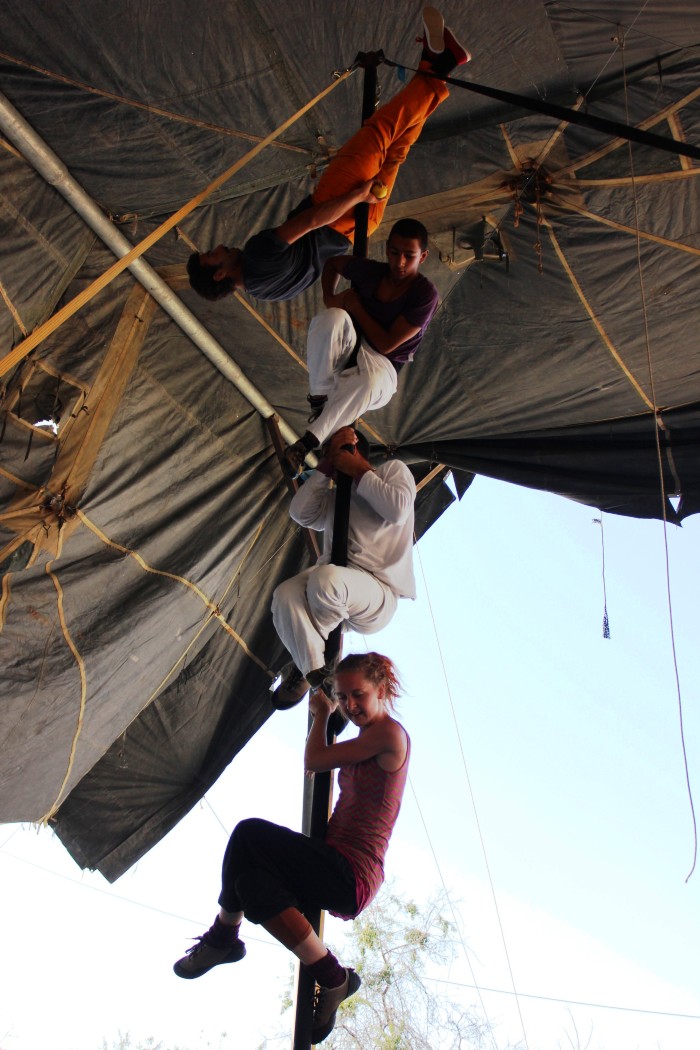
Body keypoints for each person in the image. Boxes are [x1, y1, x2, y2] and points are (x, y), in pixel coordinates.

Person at [173, 652, 410, 1045]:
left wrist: (321, 713)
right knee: (251, 885)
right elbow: (322, 758)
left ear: (381, 689)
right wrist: (327, 715)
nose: (350, 705)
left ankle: (223, 937)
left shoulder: (388, 735)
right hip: (335, 869)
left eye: (358, 695)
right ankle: (333, 977)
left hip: (351, 872)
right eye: (342, 696)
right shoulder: (364, 739)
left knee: (248, 834)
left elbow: (315, 760)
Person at [187, 7, 470, 304]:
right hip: (339, 200)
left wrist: (362, 201)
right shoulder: (256, 255)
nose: (218, 247)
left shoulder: (266, 294)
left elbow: (317, 263)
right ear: (219, 274)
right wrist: (357, 196)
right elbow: (310, 222)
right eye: (211, 255)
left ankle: (438, 61)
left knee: (397, 148)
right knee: (380, 131)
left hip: (358, 227)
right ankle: (442, 60)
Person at [271, 426, 415, 709]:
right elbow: (300, 513)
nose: (330, 461)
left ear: (355, 452)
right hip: (331, 595)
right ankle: (315, 673)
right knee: (284, 595)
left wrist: (357, 468)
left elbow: (397, 509)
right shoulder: (337, 498)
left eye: (332, 454)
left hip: (375, 594)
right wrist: (325, 468)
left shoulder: (392, 472)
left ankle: (312, 660)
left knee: (326, 580)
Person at [282, 215, 438, 477]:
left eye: (408, 256)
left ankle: (305, 445)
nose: (399, 262)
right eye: (394, 252)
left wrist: (355, 306)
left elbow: (387, 344)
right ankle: (319, 402)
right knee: (331, 318)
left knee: (369, 382)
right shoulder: (372, 271)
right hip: (353, 345)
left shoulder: (425, 294)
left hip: (383, 366)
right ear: (386, 247)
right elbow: (332, 264)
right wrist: (331, 298)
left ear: (422, 257)